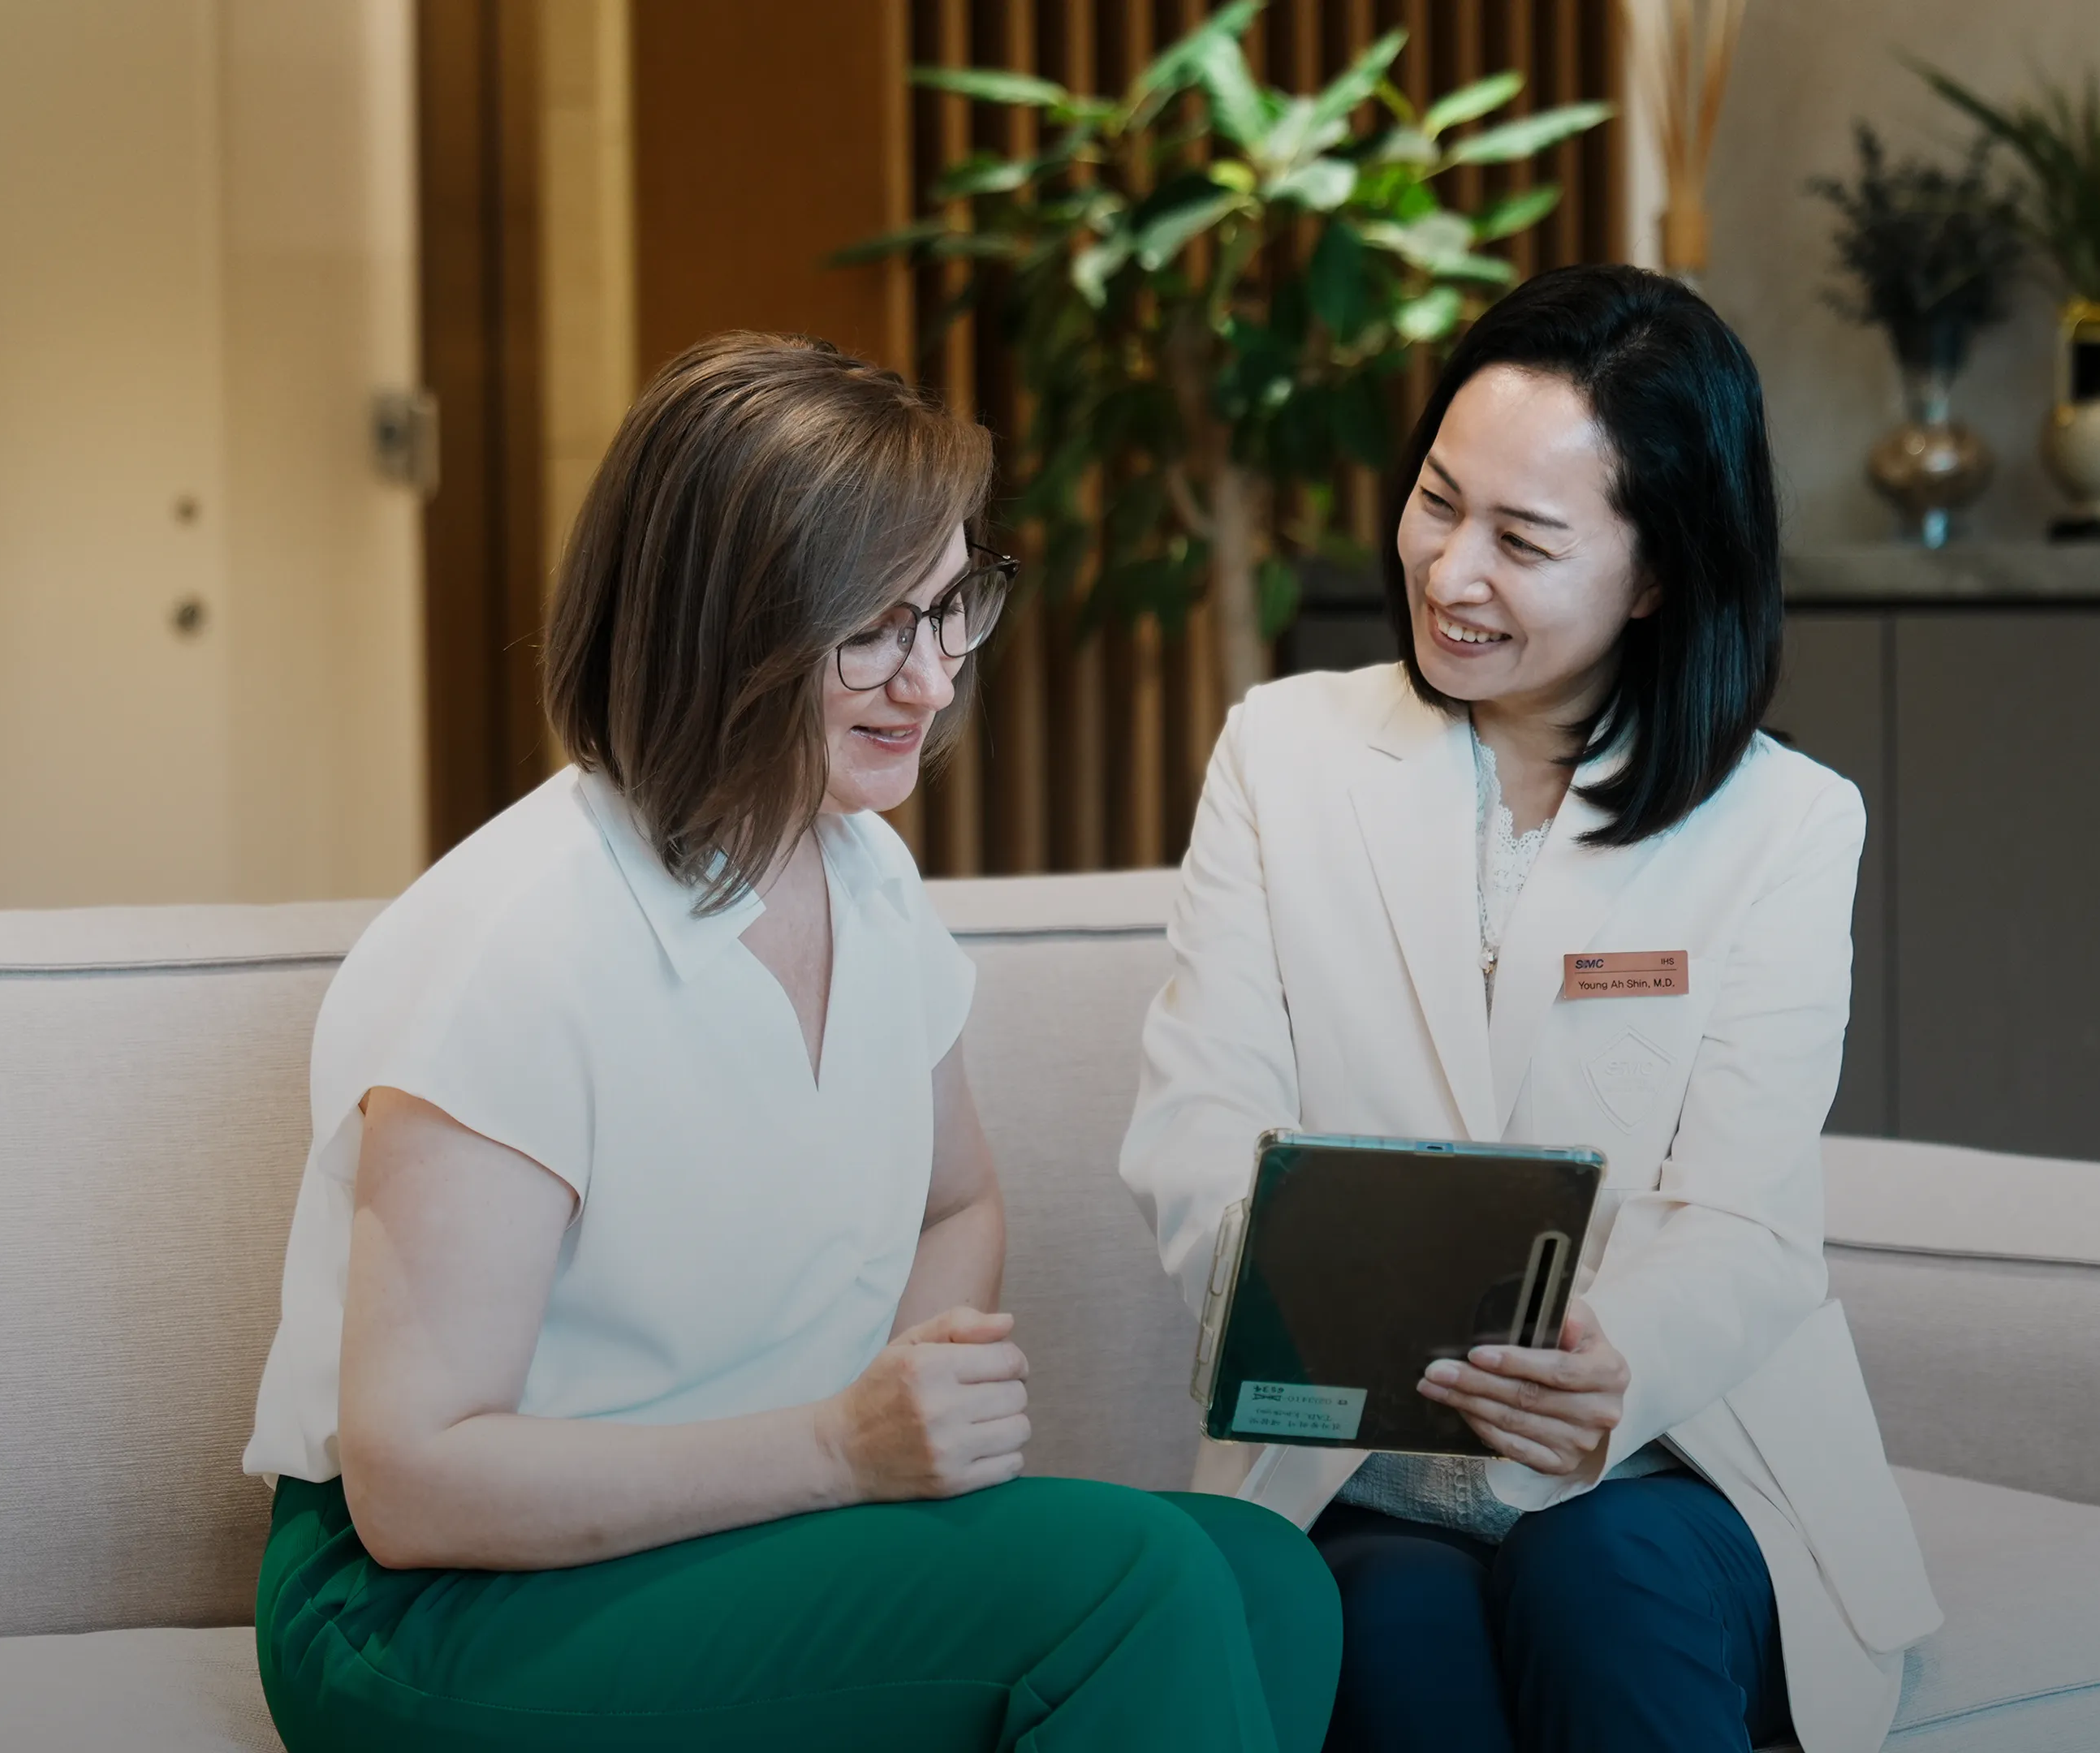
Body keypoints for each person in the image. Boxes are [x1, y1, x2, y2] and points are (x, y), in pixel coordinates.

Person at [242, 333, 1337, 1753]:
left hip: (733, 1529)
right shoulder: (516, 947)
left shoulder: (865, 878)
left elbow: (960, 1198)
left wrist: (893, 1424)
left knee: (1271, 1581)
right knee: (1140, 1583)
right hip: (429, 1608)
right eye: (872, 632)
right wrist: (839, 1449)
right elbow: (412, 1488)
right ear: (722, 633)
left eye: (953, 611)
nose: (933, 683)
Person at [1118, 266, 1943, 1753]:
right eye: (1438, 502)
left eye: (1524, 539)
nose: (1450, 573)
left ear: (1658, 571)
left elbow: (1749, 1215)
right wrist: (1302, 1304)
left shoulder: (1785, 825)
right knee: (1395, 1625)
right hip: (1354, 1471)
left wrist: (1612, 1365)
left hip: (1673, 1461)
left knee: (1599, 1574)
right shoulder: (1285, 753)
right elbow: (1196, 1123)